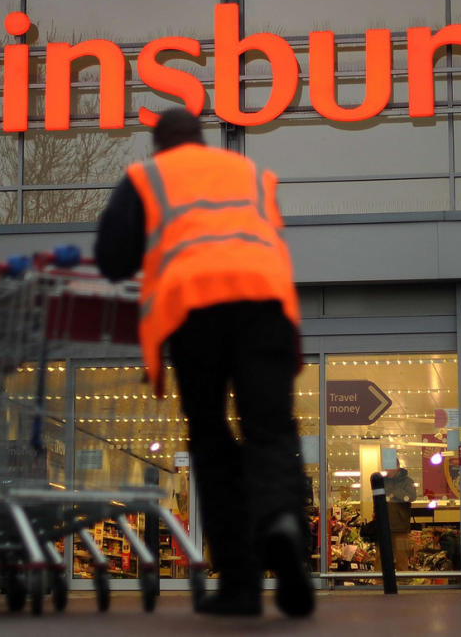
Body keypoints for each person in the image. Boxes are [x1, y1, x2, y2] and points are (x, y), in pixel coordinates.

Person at [94, 107, 314, 618]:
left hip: (194, 314)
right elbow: (269, 244)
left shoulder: (147, 178)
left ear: (159, 145)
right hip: (265, 306)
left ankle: (240, 584)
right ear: (204, 139)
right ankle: (282, 523)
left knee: (212, 440)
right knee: (272, 430)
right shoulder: (250, 174)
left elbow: (112, 257)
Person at [383, 463, 416, 572]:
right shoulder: (383, 481)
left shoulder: (407, 481)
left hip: (401, 527)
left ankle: (403, 583)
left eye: (390, 467)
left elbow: (412, 497)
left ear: (397, 467)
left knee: (402, 557)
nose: (387, 470)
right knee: (380, 557)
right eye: (386, 467)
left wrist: (395, 493)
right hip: (384, 526)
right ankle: (379, 583)